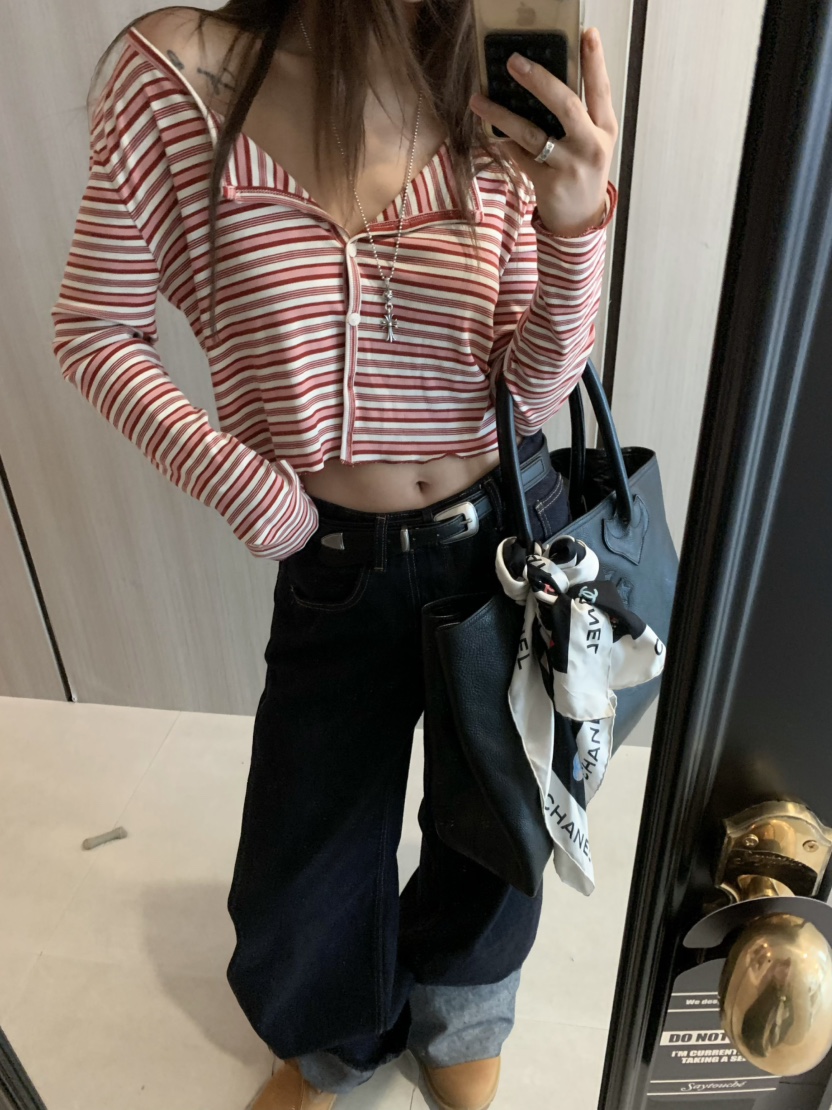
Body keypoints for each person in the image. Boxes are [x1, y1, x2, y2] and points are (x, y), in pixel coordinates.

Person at [51, 2, 618, 1107]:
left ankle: (461, 1016)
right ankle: (334, 1043)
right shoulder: (175, 79)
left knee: (495, 817)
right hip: (334, 563)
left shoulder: (489, 80)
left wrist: (574, 227)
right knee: (305, 853)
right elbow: (95, 329)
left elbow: (532, 394)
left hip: (503, 544)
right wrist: (249, 489)